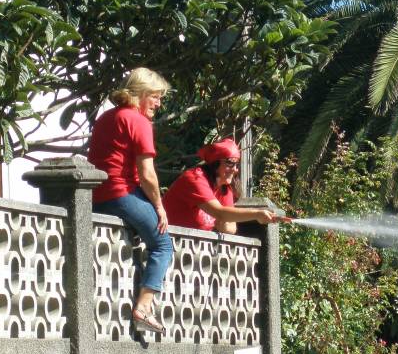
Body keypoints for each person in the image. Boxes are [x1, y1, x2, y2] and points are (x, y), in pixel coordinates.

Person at [88, 67, 173, 334]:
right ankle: (143, 309)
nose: (158, 104)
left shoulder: (107, 117)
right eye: (155, 97)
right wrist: (159, 206)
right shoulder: (138, 121)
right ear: (141, 93)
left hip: (95, 196)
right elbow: (147, 175)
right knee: (163, 244)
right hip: (121, 193)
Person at [163, 138, 289, 233]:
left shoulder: (224, 187)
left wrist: (224, 223)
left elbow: (231, 227)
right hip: (169, 240)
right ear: (215, 163)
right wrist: (257, 214)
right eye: (230, 163)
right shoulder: (195, 178)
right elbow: (220, 213)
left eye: (236, 164)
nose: (235, 169)